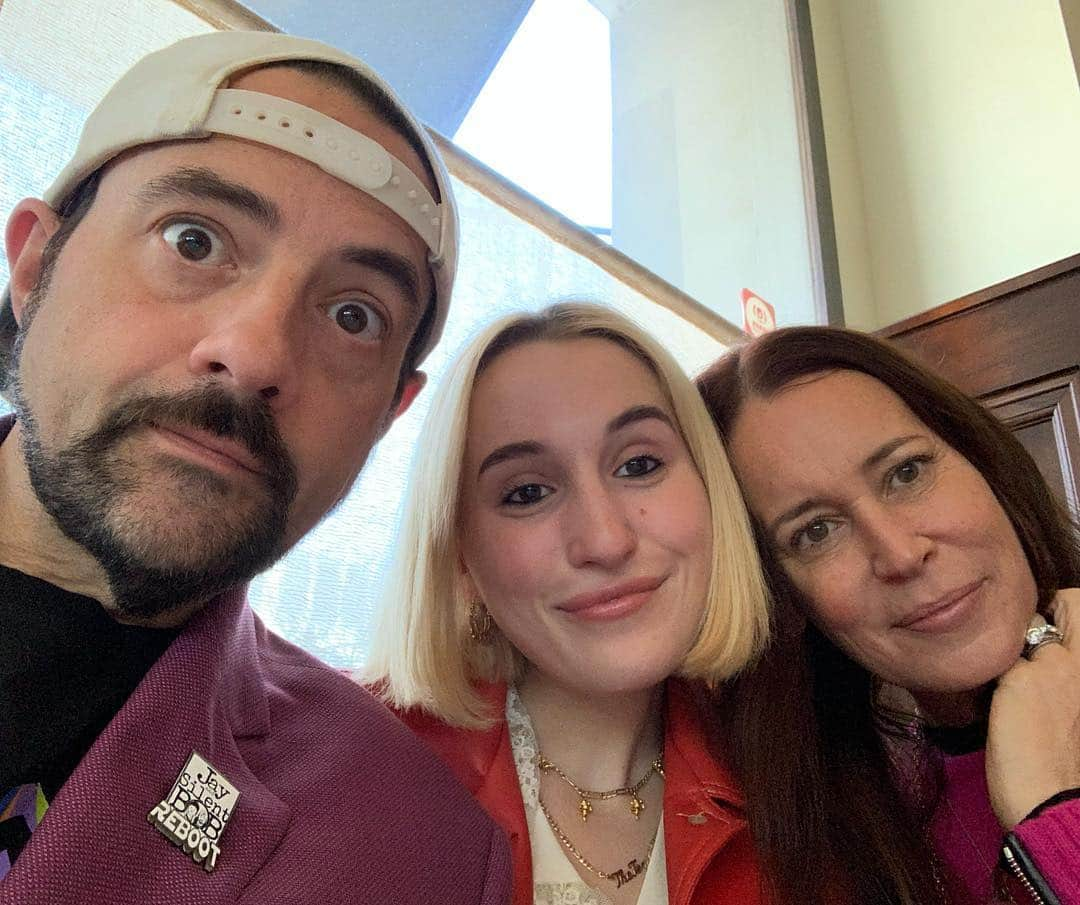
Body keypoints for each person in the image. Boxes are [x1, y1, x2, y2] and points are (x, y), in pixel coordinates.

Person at [0, 30, 510, 904]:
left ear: (391, 412)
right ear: (35, 261)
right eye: (193, 240)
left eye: (354, 316)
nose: (255, 352)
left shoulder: (414, 854)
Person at [365, 302, 774, 905]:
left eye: (639, 464)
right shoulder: (354, 765)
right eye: (527, 492)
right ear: (461, 556)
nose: (606, 541)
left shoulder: (804, 776)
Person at [696, 326, 1080, 905]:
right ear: (787, 602)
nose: (899, 553)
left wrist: (1053, 814)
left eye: (907, 473)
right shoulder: (853, 839)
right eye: (815, 531)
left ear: (983, 464)